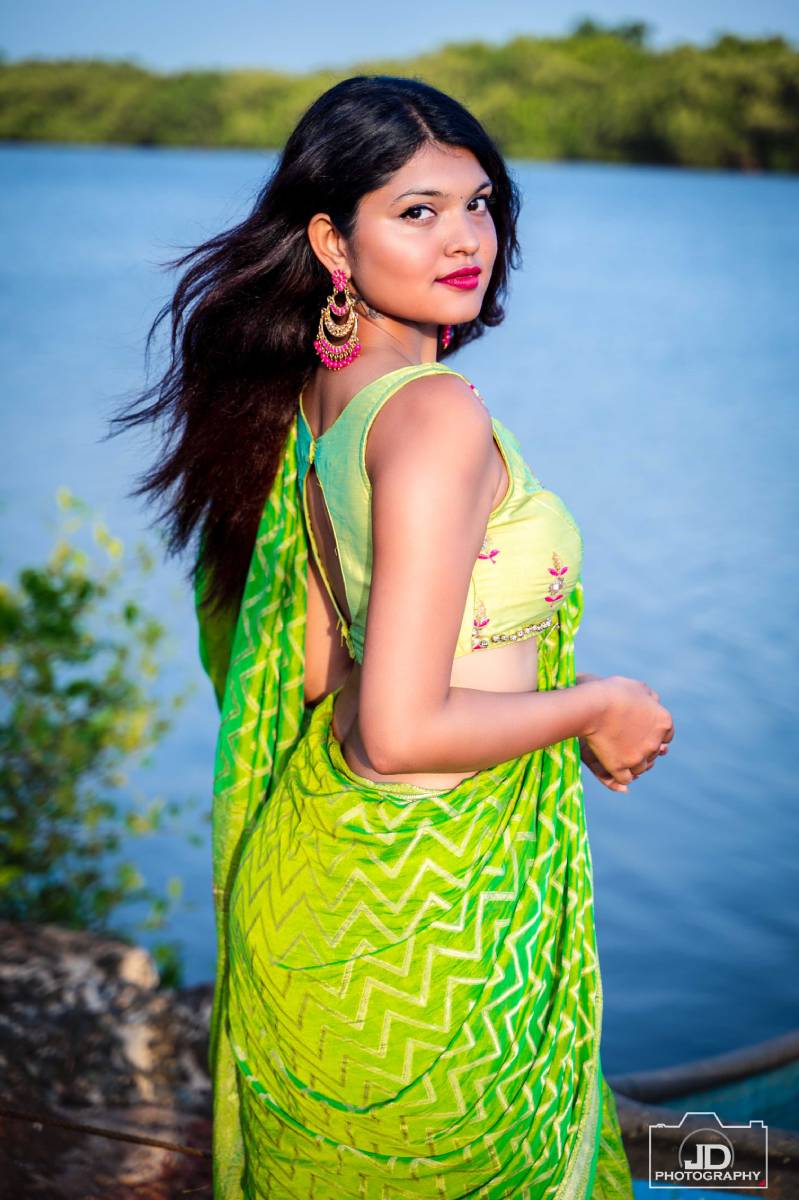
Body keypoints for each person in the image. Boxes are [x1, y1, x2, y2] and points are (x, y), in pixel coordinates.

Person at [117, 73, 674, 1199]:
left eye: (479, 204)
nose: (465, 239)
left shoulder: (318, 400)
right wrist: (599, 705)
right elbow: (400, 730)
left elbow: (315, 672)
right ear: (333, 241)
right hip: (424, 923)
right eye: (417, 211)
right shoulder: (432, 413)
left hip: (327, 885)